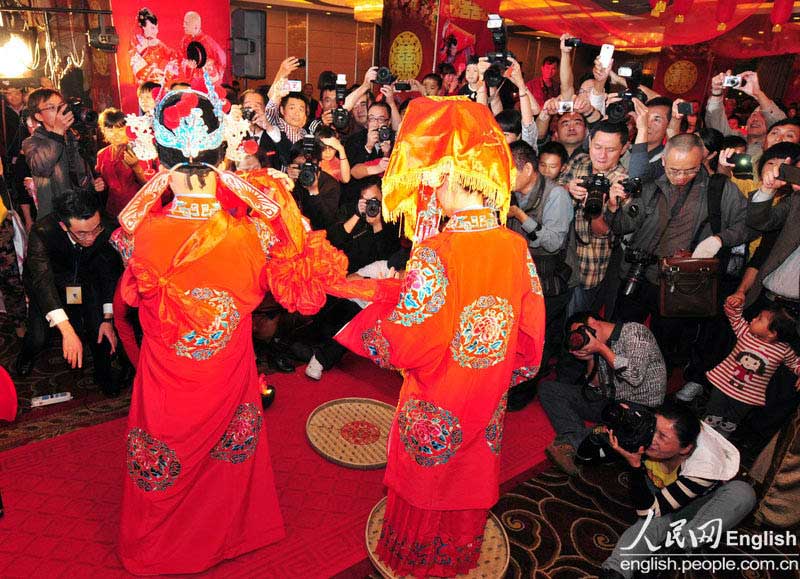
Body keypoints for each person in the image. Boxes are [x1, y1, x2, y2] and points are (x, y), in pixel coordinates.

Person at [113, 76, 348, 574]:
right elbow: (279, 286)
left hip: (166, 371)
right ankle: (225, 535)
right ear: (223, 152)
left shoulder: (144, 232)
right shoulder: (249, 233)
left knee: (165, 450)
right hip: (225, 364)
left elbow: (131, 294)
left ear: (156, 153)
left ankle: (158, 547)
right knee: (226, 453)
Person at [334, 97, 546, 577]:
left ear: (454, 177)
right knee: (469, 466)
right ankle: (456, 550)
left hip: (439, 388)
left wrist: (365, 328)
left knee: (428, 470)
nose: (430, 186)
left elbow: (409, 339)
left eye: (435, 177)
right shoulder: (515, 246)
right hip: (487, 385)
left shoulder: (438, 250)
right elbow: (530, 331)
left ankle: (415, 552)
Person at [600, 401, 756, 579]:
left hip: (700, 507)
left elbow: (647, 510)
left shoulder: (704, 465)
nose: (652, 438)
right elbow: (586, 454)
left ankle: (677, 549)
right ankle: (616, 571)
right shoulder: (645, 427)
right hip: (661, 504)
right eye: (653, 429)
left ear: (685, 448)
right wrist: (620, 421)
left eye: (662, 437)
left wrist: (635, 466)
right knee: (655, 520)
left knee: (743, 492)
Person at [14, 190, 120, 396]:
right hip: (48, 283)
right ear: (64, 226)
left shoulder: (105, 226)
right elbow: (42, 280)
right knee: (38, 336)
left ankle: (103, 373)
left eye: (95, 229)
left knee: (97, 325)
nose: (90, 238)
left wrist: (108, 318)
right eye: (81, 233)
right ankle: (25, 357)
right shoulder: (43, 231)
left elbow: (108, 273)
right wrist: (67, 330)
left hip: (83, 280)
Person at [539, 311, 667, 475]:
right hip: (610, 401)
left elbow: (635, 377)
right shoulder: (600, 346)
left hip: (640, 409)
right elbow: (595, 387)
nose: (580, 338)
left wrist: (600, 348)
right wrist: (592, 358)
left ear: (592, 322)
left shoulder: (635, 332)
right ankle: (576, 441)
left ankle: (572, 443)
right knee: (549, 389)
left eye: (580, 332)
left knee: (625, 426)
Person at [506, 140, 574, 411]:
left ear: (528, 170)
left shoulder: (556, 195)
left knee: (538, 340)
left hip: (549, 280)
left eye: (510, 171)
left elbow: (554, 243)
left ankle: (524, 392)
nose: (504, 177)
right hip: (519, 277)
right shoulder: (509, 193)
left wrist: (521, 217)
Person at [701, 293, 800, 439]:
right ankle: (704, 434)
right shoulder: (746, 332)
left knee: (733, 419)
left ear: (773, 333)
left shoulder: (783, 350)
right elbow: (735, 317)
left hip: (747, 397)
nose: (753, 319)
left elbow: (795, 363)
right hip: (722, 385)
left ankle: (722, 438)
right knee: (713, 410)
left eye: (759, 319)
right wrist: (734, 304)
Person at [22, 88, 105, 220]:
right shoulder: (32, 142)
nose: (60, 111)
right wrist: (57, 132)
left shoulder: (73, 136)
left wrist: (93, 183)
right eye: (52, 107)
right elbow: (41, 168)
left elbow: (82, 172)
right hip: (56, 216)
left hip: (82, 210)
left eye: (61, 106)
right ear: (38, 116)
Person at [95, 108, 146, 221]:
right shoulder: (102, 154)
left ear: (127, 129)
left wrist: (136, 167)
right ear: (103, 131)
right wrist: (98, 185)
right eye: (110, 129)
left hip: (137, 212)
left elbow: (151, 187)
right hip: (113, 213)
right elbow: (103, 184)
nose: (115, 134)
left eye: (120, 129)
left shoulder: (138, 149)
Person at [128, 8, 178, 86]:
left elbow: (173, 56)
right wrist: (152, 72)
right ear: (143, 27)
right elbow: (135, 63)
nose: (156, 31)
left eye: (156, 28)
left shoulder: (158, 44)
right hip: (143, 84)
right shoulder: (135, 42)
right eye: (152, 28)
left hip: (159, 82)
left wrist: (166, 74)